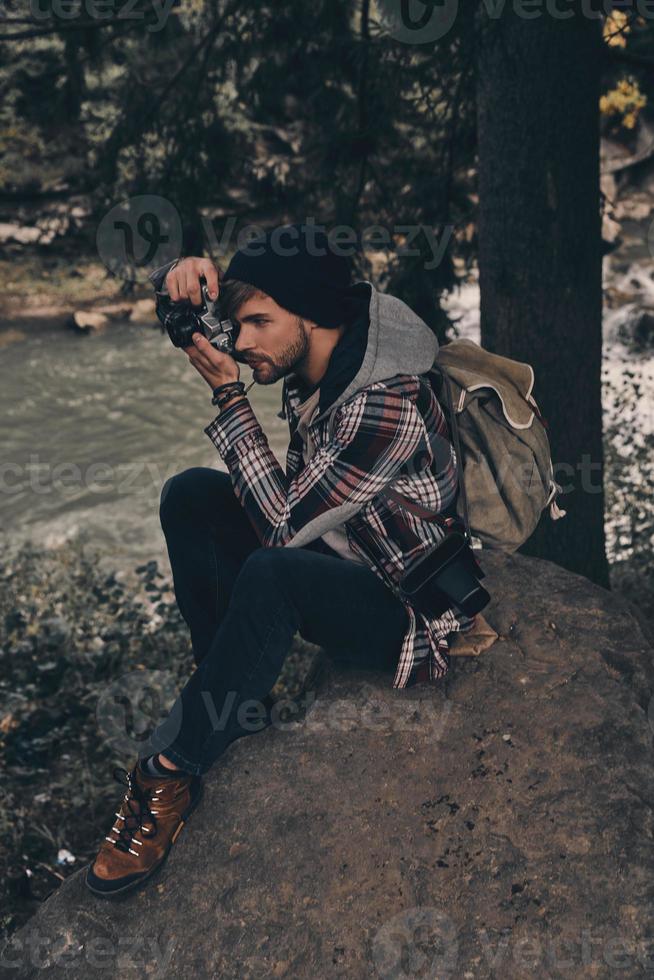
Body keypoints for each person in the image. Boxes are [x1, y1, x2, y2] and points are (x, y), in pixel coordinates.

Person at [85, 222, 475, 898]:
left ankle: (170, 773)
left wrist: (231, 396)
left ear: (313, 316)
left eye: (255, 322)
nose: (240, 342)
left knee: (271, 569)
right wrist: (182, 279)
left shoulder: (385, 404)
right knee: (191, 495)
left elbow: (284, 531)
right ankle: (230, 699)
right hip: (340, 543)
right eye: (238, 324)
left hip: (404, 607)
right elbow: (219, 319)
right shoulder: (316, 346)